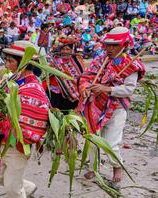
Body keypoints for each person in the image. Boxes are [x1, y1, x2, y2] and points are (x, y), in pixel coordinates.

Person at [77, 27, 145, 183]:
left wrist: (107, 89)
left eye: (114, 45)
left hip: (117, 109)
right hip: (95, 106)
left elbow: (129, 89)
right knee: (93, 140)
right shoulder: (100, 60)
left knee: (110, 143)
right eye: (107, 44)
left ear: (124, 45)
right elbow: (86, 77)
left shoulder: (131, 64)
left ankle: (117, 166)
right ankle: (93, 168)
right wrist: (85, 89)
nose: (109, 48)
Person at [0, 41, 50, 198]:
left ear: (24, 62)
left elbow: (36, 118)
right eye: (7, 60)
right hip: (2, 139)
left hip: (18, 143)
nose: (7, 64)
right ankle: (27, 187)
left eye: (11, 60)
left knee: (11, 183)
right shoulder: (11, 80)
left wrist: (9, 124)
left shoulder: (33, 89)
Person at [46, 38, 85, 111]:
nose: (65, 51)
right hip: (56, 94)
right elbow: (47, 76)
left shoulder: (78, 61)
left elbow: (81, 78)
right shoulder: (55, 61)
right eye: (63, 49)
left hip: (72, 95)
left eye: (68, 49)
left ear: (72, 50)